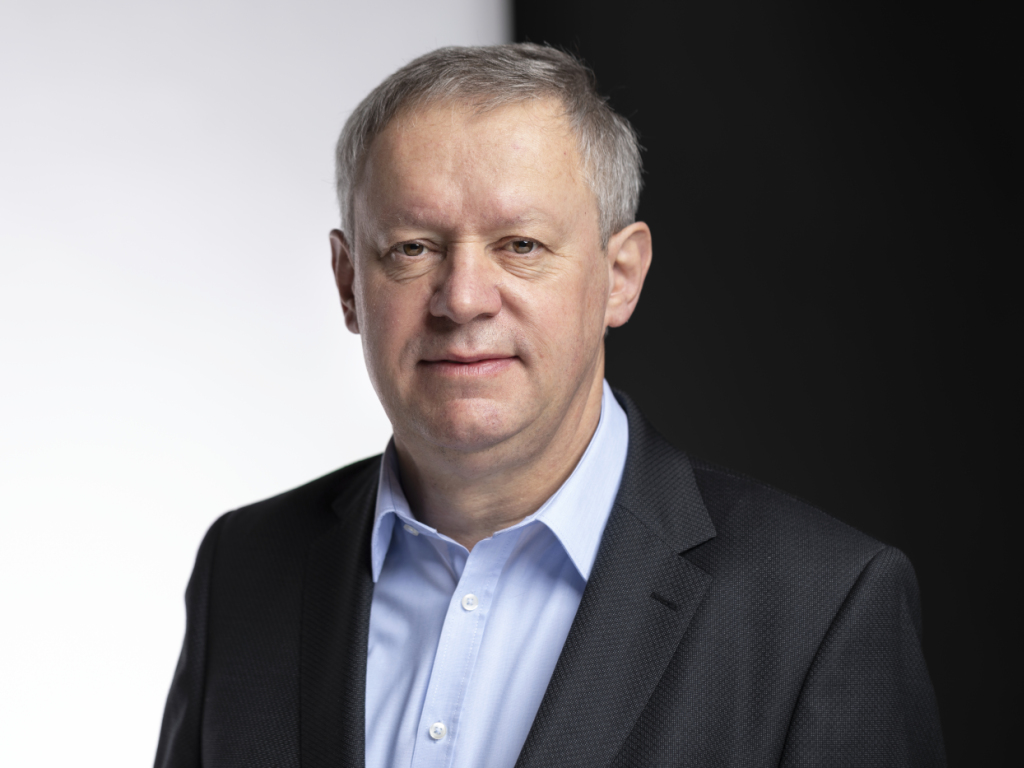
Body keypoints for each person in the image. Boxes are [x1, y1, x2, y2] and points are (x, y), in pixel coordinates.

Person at [155, 44, 945, 767]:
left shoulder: (821, 608)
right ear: (347, 283)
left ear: (620, 277)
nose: (463, 299)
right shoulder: (244, 570)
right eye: (412, 248)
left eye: (521, 245)